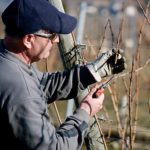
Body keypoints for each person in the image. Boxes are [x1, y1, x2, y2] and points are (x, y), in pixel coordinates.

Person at [0, 0, 126, 150]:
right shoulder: (20, 92)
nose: (57, 40)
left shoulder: (9, 59)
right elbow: (53, 147)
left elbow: (39, 84)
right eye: (52, 35)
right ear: (29, 39)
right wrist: (86, 111)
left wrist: (90, 73)